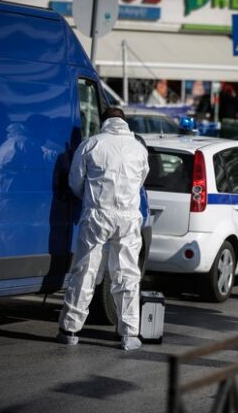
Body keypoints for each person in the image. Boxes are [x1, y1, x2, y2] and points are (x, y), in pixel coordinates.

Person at [57, 107, 149, 351]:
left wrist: (90, 199)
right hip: (129, 217)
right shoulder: (139, 148)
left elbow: (75, 182)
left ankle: (70, 330)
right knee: (127, 274)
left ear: (104, 122)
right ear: (124, 122)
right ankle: (129, 334)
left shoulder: (91, 144)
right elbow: (141, 181)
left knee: (85, 270)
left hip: (97, 213)